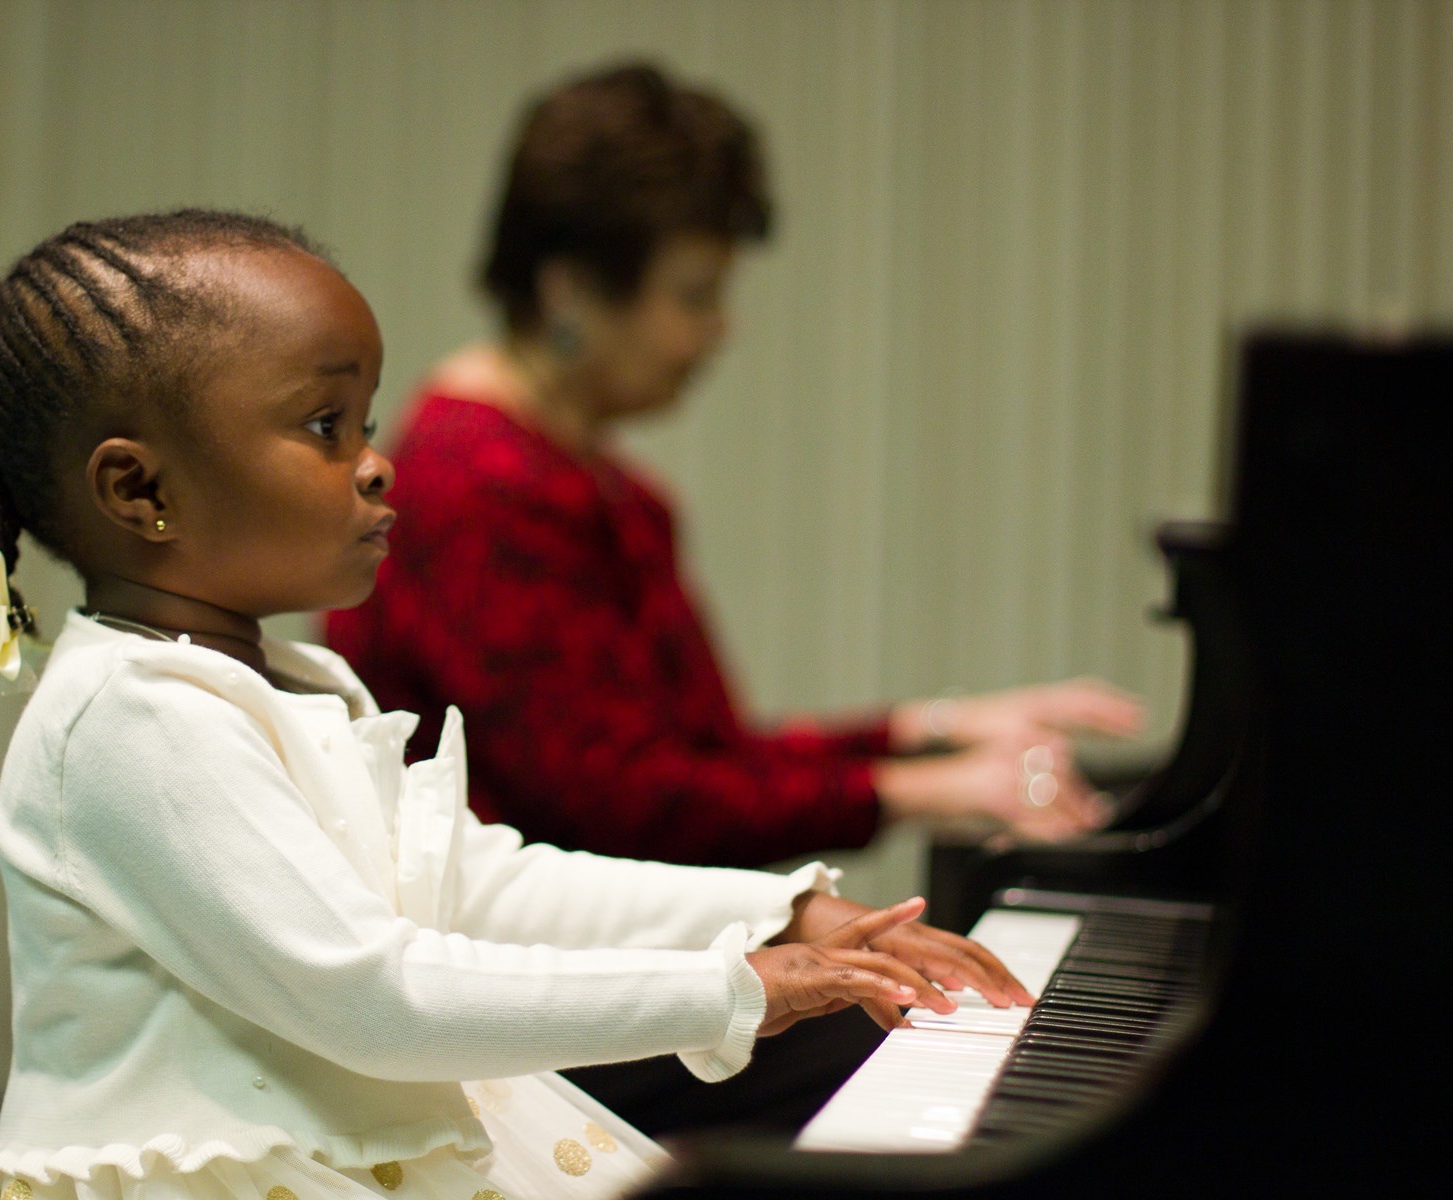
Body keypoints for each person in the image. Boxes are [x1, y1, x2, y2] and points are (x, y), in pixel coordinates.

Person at [0, 209, 1033, 1200]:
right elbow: (372, 997)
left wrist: (773, 915)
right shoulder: (133, 724)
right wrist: (735, 987)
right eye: (325, 426)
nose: (376, 465)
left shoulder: (296, 683)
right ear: (141, 492)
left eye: (364, 421)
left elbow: (476, 883)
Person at [321, 61, 1145, 1138]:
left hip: (605, 957)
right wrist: (917, 786)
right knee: (913, 1038)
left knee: (912, 1021)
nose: (720, 331)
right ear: (571, 289)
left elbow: (696, 752)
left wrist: (937, 730)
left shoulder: (602, 485)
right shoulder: (481, 484)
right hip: (526, 1005)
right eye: (695, 295)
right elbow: (626, 804)